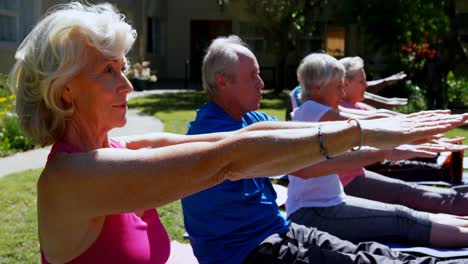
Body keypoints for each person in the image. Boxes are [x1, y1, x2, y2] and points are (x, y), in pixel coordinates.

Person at [11, 3, 462, 264]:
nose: (128, 84)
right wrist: (360, 131)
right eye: (109, 71)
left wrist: (372, 132)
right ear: (65, 88)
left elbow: (246, 144)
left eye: (124, 69)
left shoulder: (117, 148)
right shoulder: (72, 179)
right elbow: (227, 159)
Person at [181, 35, 468, 264]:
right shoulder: (212, 132)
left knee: (370, 251)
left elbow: (319, 136)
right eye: (252, 76)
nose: (262, 84)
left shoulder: (252, 118)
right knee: (382, 239)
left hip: (277, 230)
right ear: (222, 81)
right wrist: (390, 144)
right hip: (247, 252)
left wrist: (400, 134)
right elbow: (307, 164)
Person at [287, 52, 468, 247]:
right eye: (338, 86)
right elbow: (365, 124)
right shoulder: (312, 111)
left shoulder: (314, 109)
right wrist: (417, 126)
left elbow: (372, 119)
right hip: (314, 212)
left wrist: (415, 129)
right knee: (402, 218)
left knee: (405, 213)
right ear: (317, 88)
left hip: (327, 204)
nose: (342, 93)